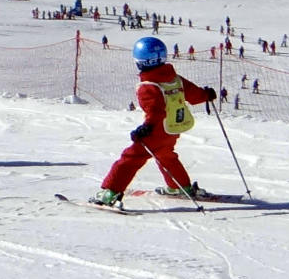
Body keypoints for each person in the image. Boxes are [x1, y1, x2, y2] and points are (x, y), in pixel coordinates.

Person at [90, 36, 214, 207]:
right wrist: (206, 95)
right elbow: (193, 93)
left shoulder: (148, 86)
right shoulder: (174, 78)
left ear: (139, 62)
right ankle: (178, 186)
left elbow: (155, 111)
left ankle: (110, 192)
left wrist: (145, 128)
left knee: (130, 159)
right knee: (166, 156)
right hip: (172, 128)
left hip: (155, 130)